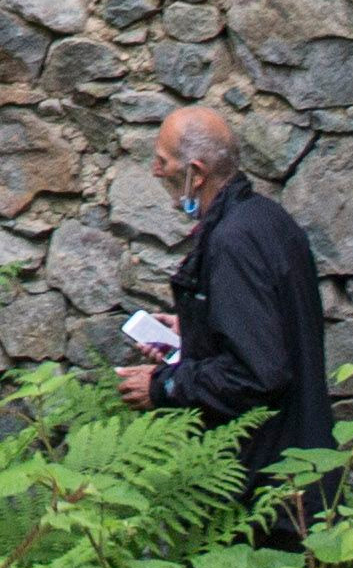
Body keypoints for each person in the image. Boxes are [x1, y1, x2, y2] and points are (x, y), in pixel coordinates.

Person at [119, 103, 335, 527]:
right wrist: (195, 330)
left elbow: (259, 373)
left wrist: (165, 386)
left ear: (195, 173)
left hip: (269, 492)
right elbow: (274, 325)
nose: (155, 171)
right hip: (301, 466)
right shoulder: (267, 219)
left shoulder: (233, 242)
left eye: (163, 161)